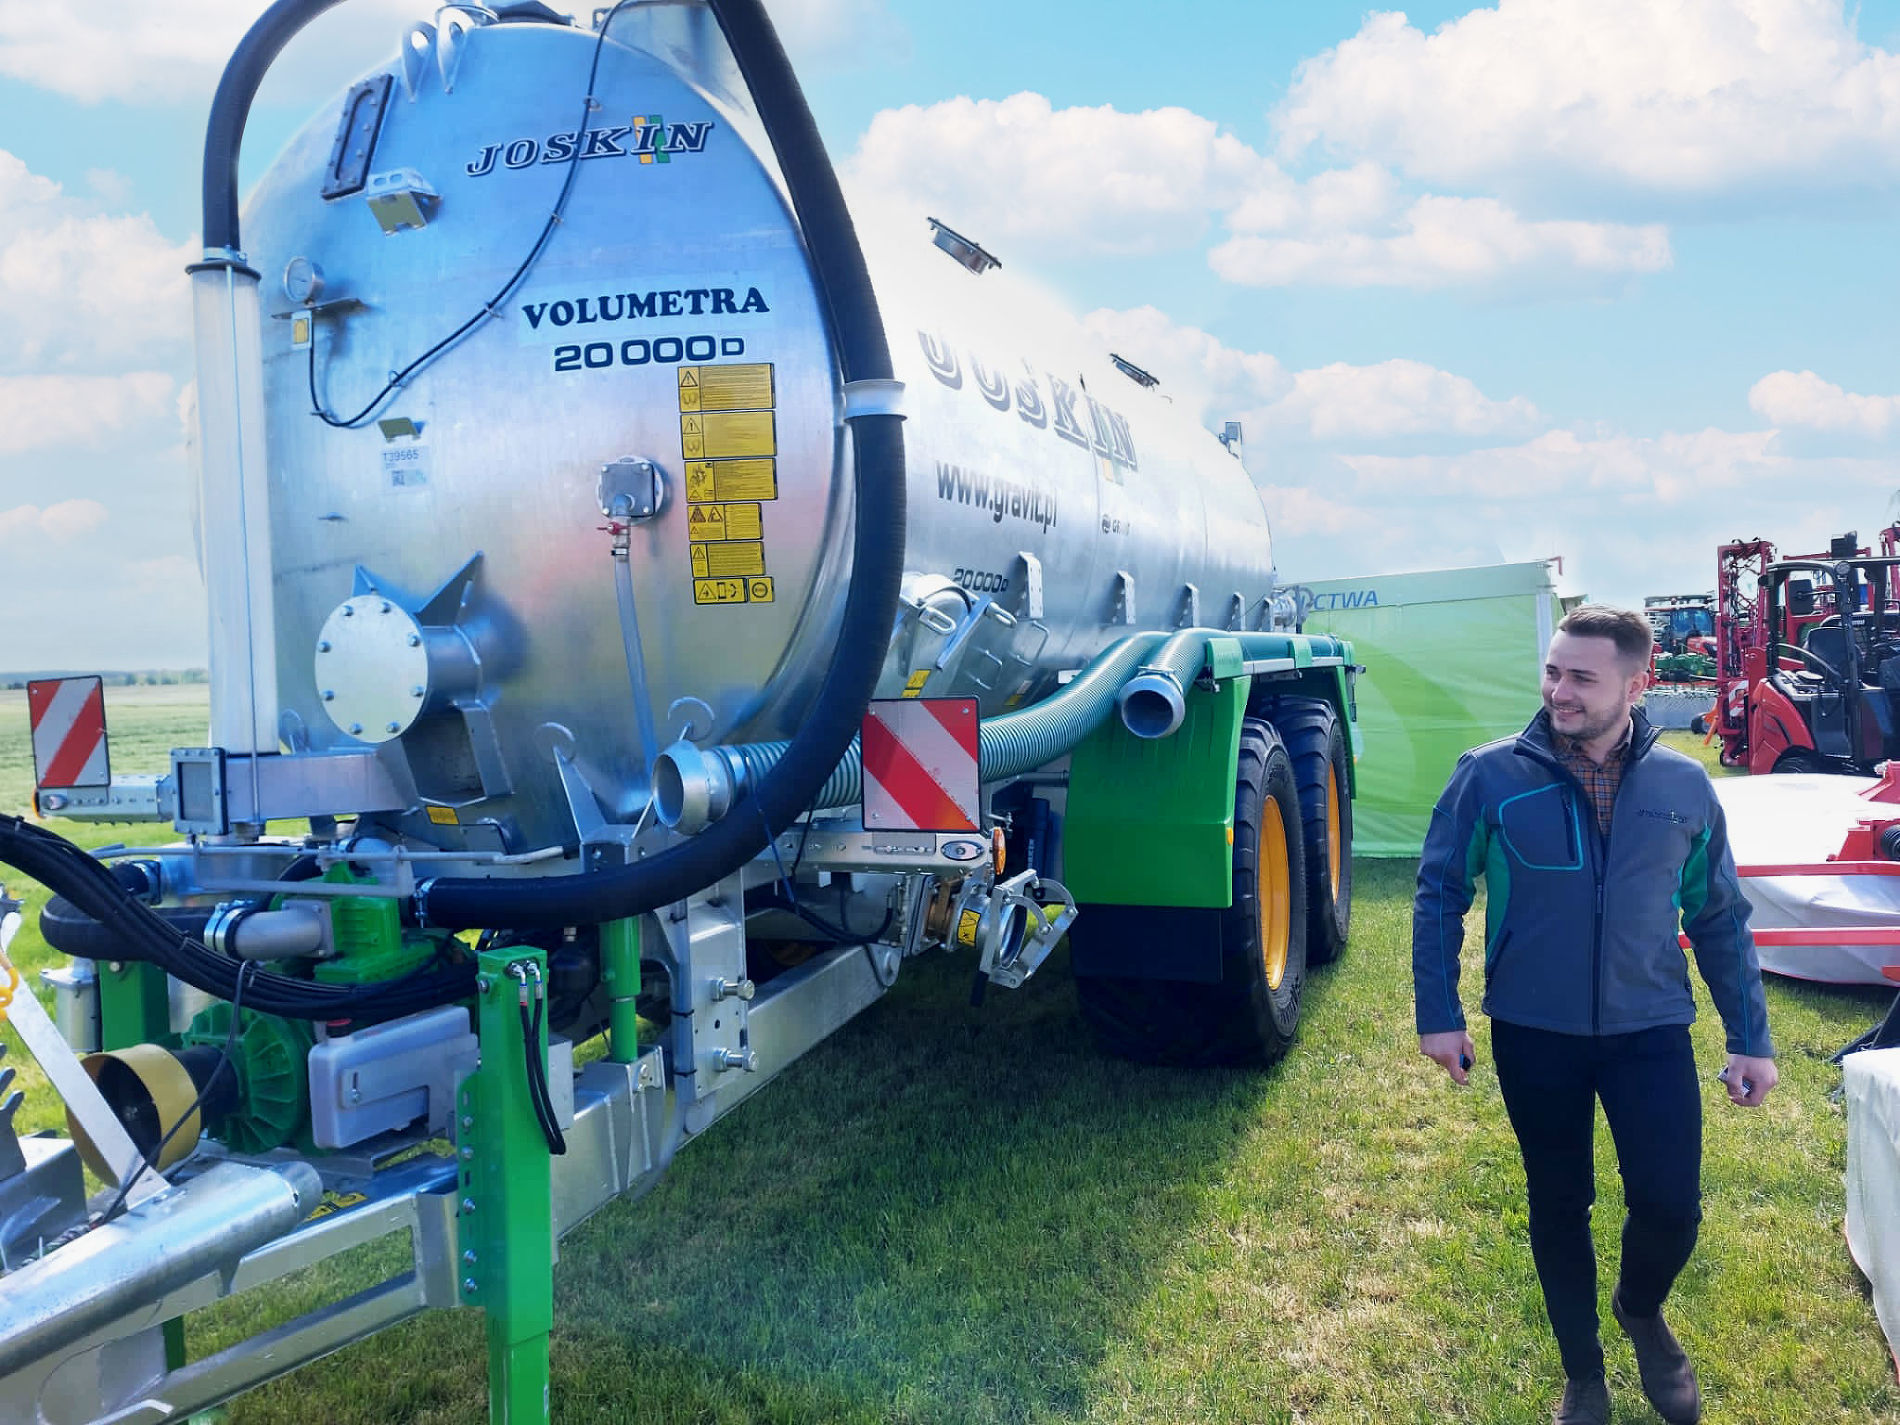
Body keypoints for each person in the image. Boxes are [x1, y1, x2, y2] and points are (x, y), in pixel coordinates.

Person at [1412, 605, 1777, 1425]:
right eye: (1553, 671)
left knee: (1671, 1205)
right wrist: (1439, 1010)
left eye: (1582, 677)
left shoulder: (1684, 787)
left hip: (1650, 1027)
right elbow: (1440, 889)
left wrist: (1750, 1037)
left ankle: (1640, 1309)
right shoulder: (1489, 775)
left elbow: (1718, 914)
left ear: (1637, 684)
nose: (1559, 691)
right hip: (1534, 1030)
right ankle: (1583, 1372)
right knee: (1558, 1200)